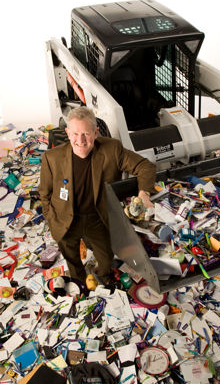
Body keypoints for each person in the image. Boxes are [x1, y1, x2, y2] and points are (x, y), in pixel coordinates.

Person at [39, 107, 156, 285]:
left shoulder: (112, 149)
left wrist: (144, 193)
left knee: (106, 258)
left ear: (95, 132)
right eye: (75, 134)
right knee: (71, 258)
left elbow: (145, 167)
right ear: (68, 133)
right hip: (64, 218)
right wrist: (50, 217)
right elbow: (44, 192)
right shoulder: (51, 157)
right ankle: (78, 281)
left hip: (97, 218)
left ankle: (103, 276)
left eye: (86, 133)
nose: (80, 140)